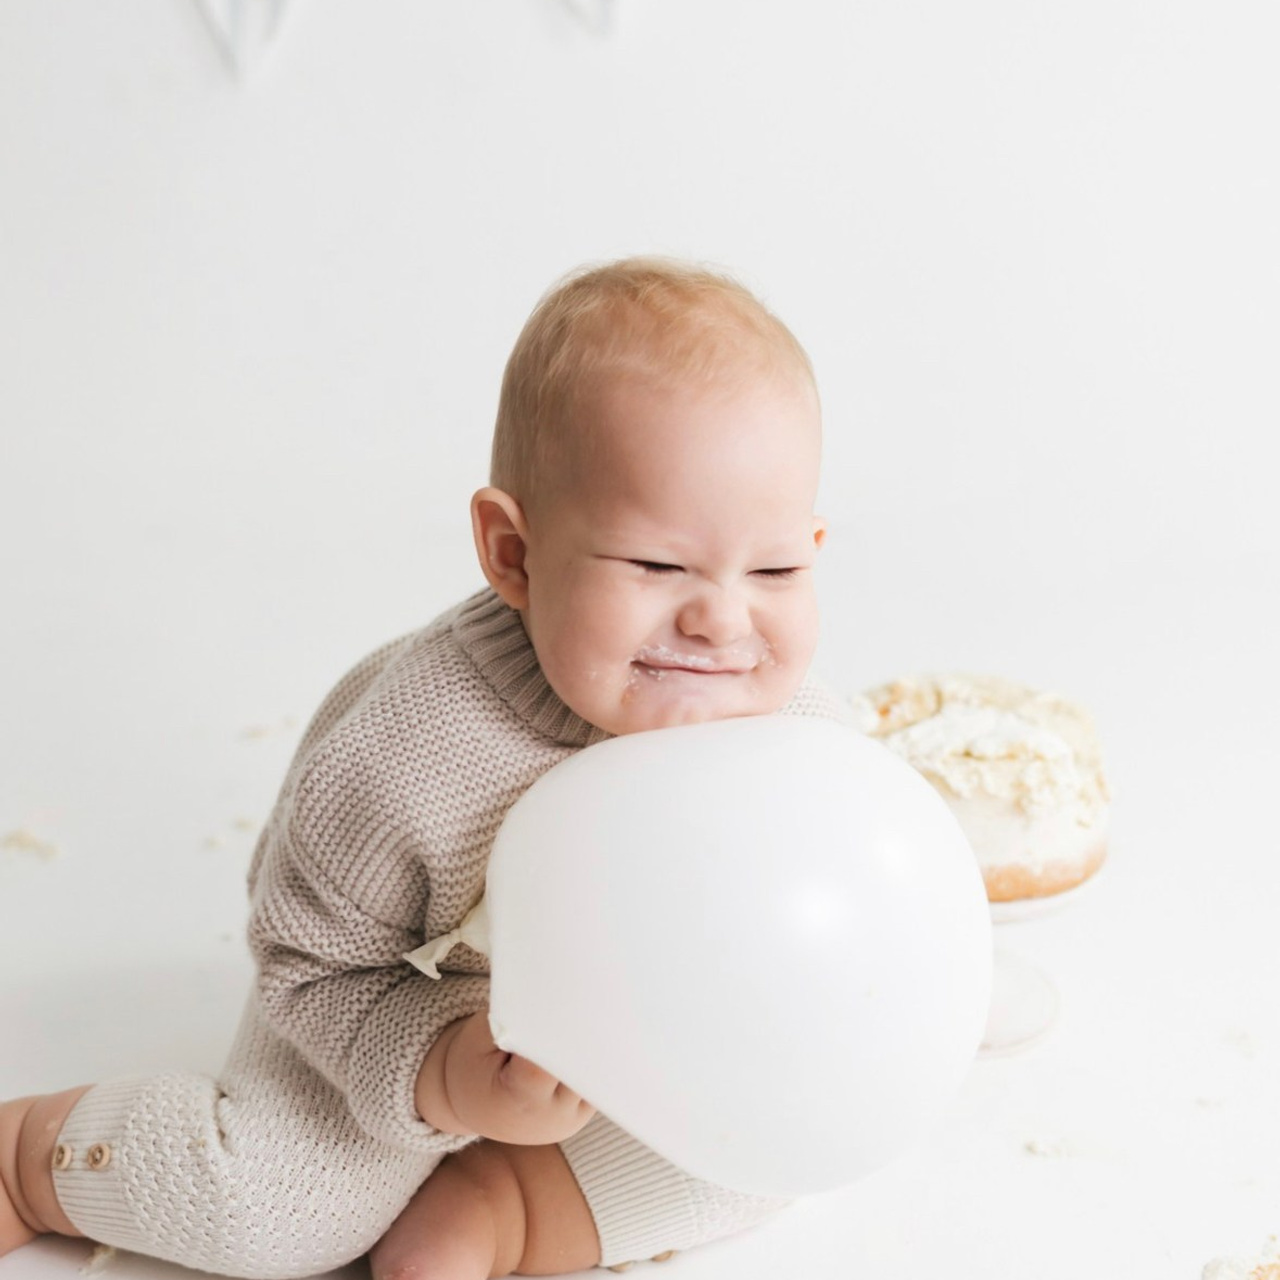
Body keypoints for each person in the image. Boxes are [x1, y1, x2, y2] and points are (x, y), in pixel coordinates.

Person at [0, 257, 851, 1279]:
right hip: (391, 995)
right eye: (656, 565)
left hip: (605, 1033)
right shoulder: (416, 748)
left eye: (773, 570)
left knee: (784, 1139)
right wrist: (445, 1070)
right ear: (512, 553)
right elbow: (310, 960)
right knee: (270, 1210)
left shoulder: (799, 738)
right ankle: (29, 1160)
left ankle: (503, 1204)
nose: (720, 617)